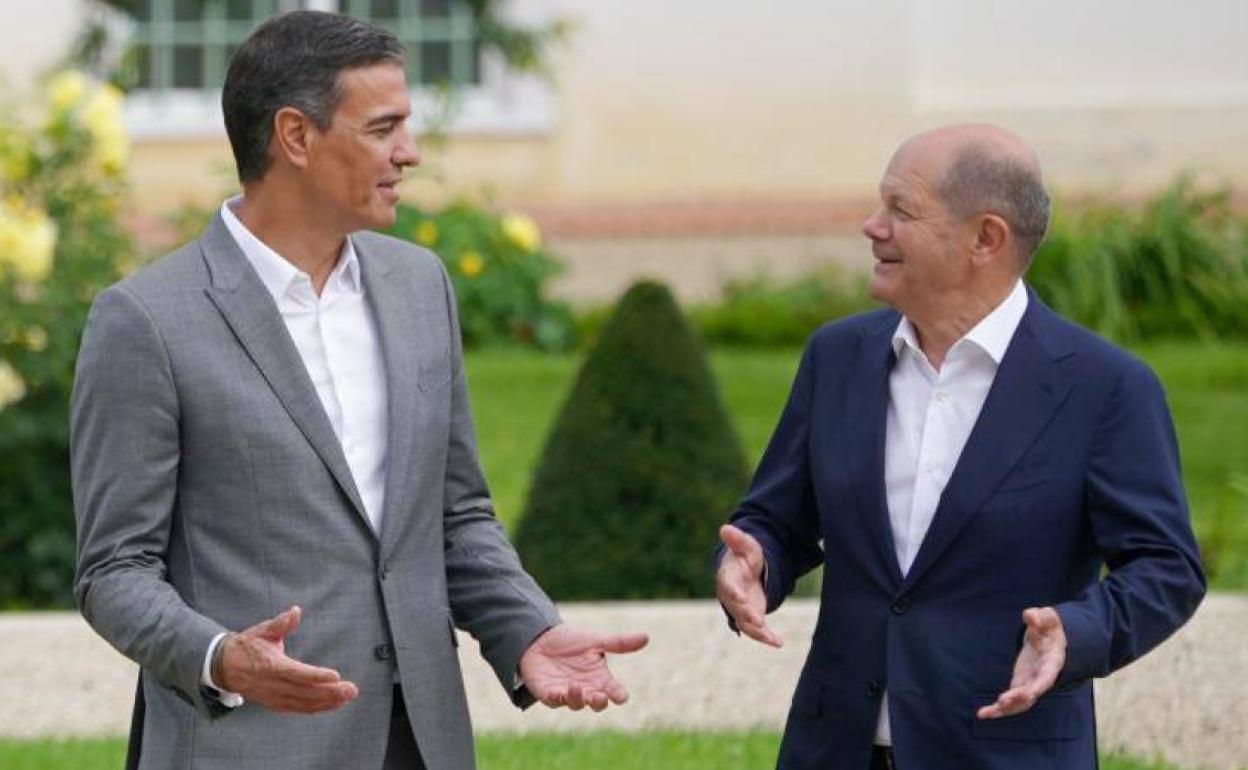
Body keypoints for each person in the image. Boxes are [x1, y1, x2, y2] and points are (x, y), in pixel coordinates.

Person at [71, 11, 646, 770]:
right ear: (296, 137)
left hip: (423, 742)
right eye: (383, 128)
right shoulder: (146, 320)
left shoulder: (418, 285)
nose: (410, 152)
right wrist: (219, 656)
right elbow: (114, 570)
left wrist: (527, 629)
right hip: (246, 748)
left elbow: (455, 515)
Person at [714, 124, 1205, 770]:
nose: (872, 226)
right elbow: (778, 521)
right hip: (834, 748)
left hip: (1006, 753)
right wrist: (752, 567)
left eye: (901, 209)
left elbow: (1166, 568)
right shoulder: (837, 357)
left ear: (986, 239)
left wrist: (1078, 632)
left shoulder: (1103, 388)